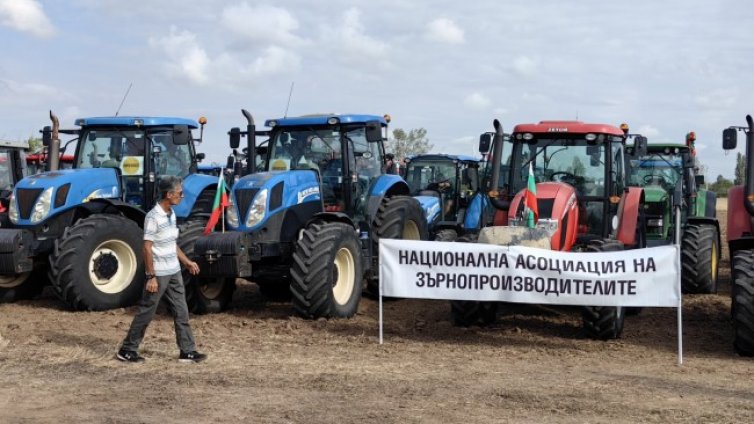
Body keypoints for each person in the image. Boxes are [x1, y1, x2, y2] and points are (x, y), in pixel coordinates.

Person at [116, 176, 206, 364]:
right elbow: (147, 248)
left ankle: (187, 351)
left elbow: (171, 243)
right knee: (147, 312)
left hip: (174, 272)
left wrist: (187, 262)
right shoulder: (153, 217)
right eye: (180, 193)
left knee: (182, 311)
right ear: (169, 194)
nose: (182, 196)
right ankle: (127, 349)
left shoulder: (171, 214)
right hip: (159, 274)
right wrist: (151, 276)